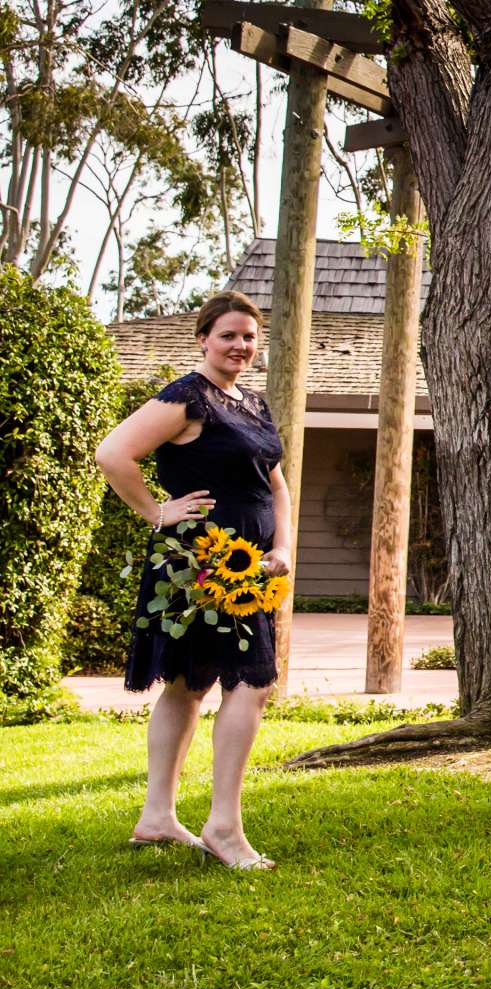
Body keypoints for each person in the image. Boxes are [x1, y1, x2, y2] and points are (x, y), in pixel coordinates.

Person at [93, 291, 292, 871]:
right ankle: (224, 826)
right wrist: (157, 512)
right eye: (229, 334)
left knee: (189, 682)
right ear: (203, 338)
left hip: (250, 564)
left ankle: (157, 817)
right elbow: (114, 454)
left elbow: (275, 485)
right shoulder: (187, 396)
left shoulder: (252, 404)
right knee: (249, 681)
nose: (241, 345)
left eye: (250, 336)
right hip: (199, 562)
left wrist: (281, 545)